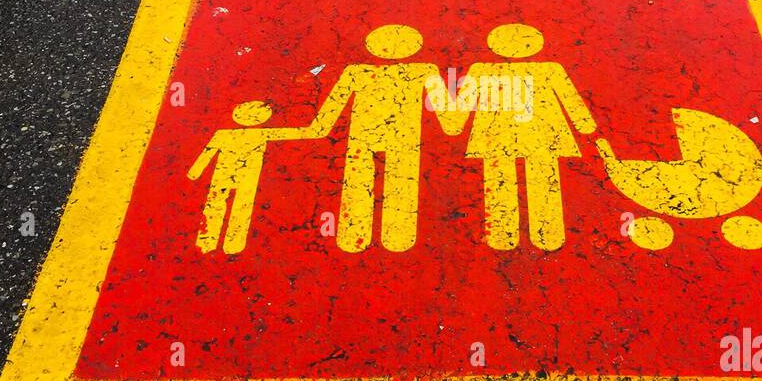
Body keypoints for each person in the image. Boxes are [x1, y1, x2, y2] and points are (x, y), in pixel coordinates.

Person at [442, 24, 596, 251]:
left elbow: (465, 102)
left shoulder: (482, 69)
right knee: (542, 179)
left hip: (497, 135)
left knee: (499, 179)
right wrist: (585, 125)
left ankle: (503, 235)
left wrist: (454, 124)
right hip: (541, 134)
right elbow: (570, 99)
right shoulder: (549, 69)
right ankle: (547, 234)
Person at [312, 24, 457, 253]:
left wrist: (316, 130)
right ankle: (399, 237)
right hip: (405, 135)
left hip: (363, 134)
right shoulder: (423, 70)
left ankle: (353, 236)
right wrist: (453, 125)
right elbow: (444, 108)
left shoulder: (356, 71)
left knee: (358, 182)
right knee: (401, 183)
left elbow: (333, 106)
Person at [187, 100, 323, 255]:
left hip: (227, 175)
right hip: (243, 175)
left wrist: (195, 172)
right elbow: (301, 132)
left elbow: (207, 154)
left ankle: (209, 241)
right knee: (238, 206)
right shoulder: (258, 133)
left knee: (220, 204)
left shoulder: (225, 134)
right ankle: (232, 243)